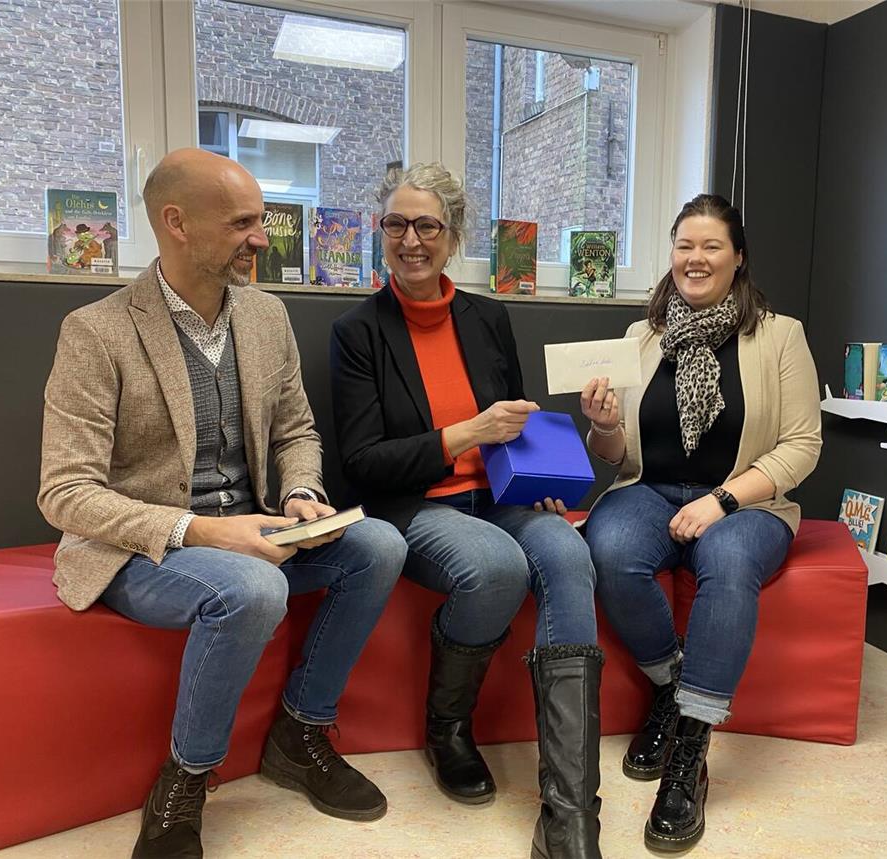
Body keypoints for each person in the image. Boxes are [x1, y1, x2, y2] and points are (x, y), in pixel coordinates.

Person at [38, 148, 409, 859]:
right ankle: (185, 776)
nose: (263, 238)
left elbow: (298, 430)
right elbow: (65, 492)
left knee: (382, 545)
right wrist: (207, 530)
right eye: (242, 223)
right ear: (176, 223)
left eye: (261, 220)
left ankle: (300, 732)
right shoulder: (96, 332)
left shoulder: (267, 316)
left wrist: (301, 491)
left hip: (256, 526)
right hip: (144, 546)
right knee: (253, 585)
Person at [330, 162, 603, 859]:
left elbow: (514, 423)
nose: (410, 239)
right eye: (396, 224)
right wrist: (465, 434)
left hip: (501, 499)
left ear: (452, 236)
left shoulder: (489, 317)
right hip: (414, 507)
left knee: (571, 552)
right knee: (494, 566)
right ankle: (447, 727)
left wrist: (537, 474)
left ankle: (570, 811)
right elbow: (361, 463)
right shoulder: (358, 332)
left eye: (426, 225)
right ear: (381, 233)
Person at [581, 194, 822, 853]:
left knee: (731, 561)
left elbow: (802, 444)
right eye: (685, 244)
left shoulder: (780, 335)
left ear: (738, 257)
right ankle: (670, 680)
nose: (696, 257)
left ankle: (689, 745)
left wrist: (721, 500)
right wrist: (602, 425)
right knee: (605, 547)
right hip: (651, 489)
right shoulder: (642, 338)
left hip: (746, 502)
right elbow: (619, 457)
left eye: (711, 245)